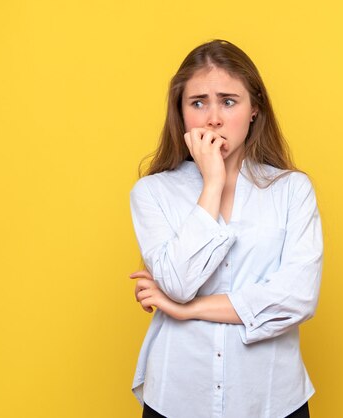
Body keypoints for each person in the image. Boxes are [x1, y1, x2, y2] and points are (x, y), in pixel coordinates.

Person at [128, 39, 323, 418]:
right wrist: (212, 183)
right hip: (178, 398)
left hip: (271, 400)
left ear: (254, 110)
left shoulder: (292, 190)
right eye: (197, 102)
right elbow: (178, 283)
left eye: (228, 101)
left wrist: (187, 310)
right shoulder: (152, 193)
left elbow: (297, 298)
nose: (212, 118)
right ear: (180, 113)